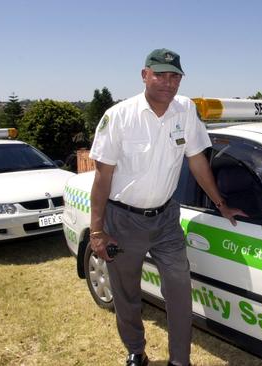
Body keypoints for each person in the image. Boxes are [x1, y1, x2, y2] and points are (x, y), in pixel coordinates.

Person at [88, 48, 245, 366]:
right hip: (123, 220)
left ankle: (180, 360)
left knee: (178, 290)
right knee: (127, 292)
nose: (168, 82)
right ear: (144, 74)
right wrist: (97, 231)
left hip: (166, 219)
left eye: (175, 76)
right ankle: (135, 350)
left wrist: (221, 204)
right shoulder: (119, 116)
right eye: (160, 74)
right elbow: (102, 179)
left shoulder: (185, 110)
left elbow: (198, 162)